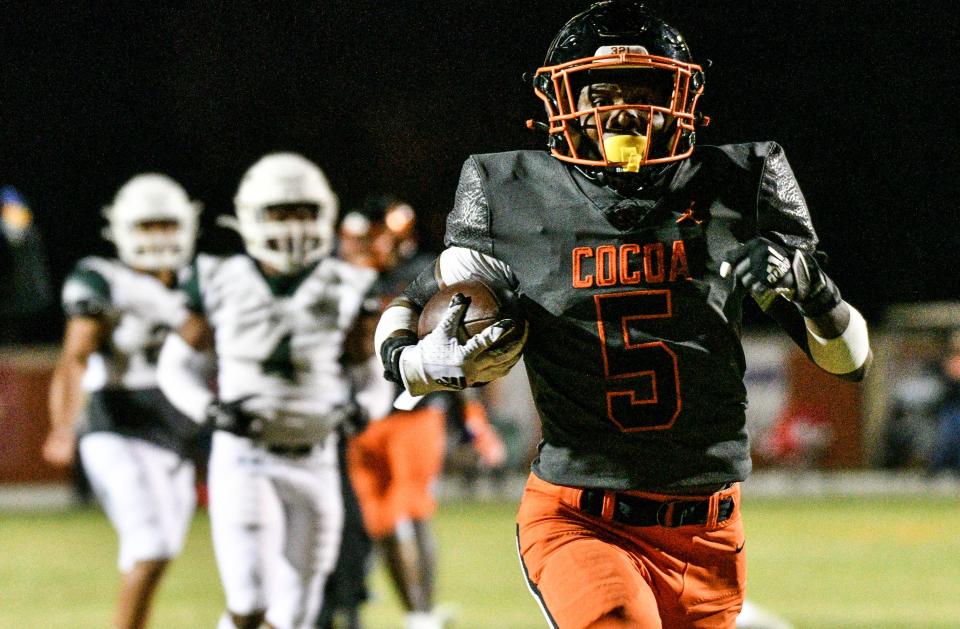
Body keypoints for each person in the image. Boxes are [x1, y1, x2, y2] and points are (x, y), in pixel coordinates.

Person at [373, 2, 872, 628]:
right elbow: (410, 299)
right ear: (560, 100)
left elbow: (849, 361)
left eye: (648, 91)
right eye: (602, 92)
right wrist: (412, 360)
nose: (626, 111)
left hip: (710, 530)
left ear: (684, 96)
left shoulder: (737, 182)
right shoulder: (511, 192)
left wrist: (812, 288)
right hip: (580, 517)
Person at [156, 152, 377, 629]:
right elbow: (175, 366)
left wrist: (367, 410)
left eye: (304, 211)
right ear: (252, 215)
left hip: (317, 458)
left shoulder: (349, 283)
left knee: (297, 613)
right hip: (246, 456)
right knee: (250, 603)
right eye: (281, 212)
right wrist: (209, 409)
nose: (293, 225)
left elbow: (372, 372)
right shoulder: (218, 277)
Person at [42, 173, 203, 629]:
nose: (158, 237)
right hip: (115, 423)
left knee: (161, 549)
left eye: (166, 225)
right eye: (147, 226)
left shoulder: (202, 279)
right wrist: (62, 425)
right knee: (150, 546)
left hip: (175, 428)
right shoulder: (102, 280)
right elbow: (75, 358)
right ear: (122, 230)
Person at [335, 195, 505, 629]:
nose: (367, 247)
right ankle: (402, 610)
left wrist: (472, 416)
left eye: (375, 238)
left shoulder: (422, 275)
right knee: (375, 518)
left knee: (403, 512)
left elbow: (452, 348)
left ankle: (419, 615)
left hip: (413, 410)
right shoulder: (339, 280)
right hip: (356, 416)